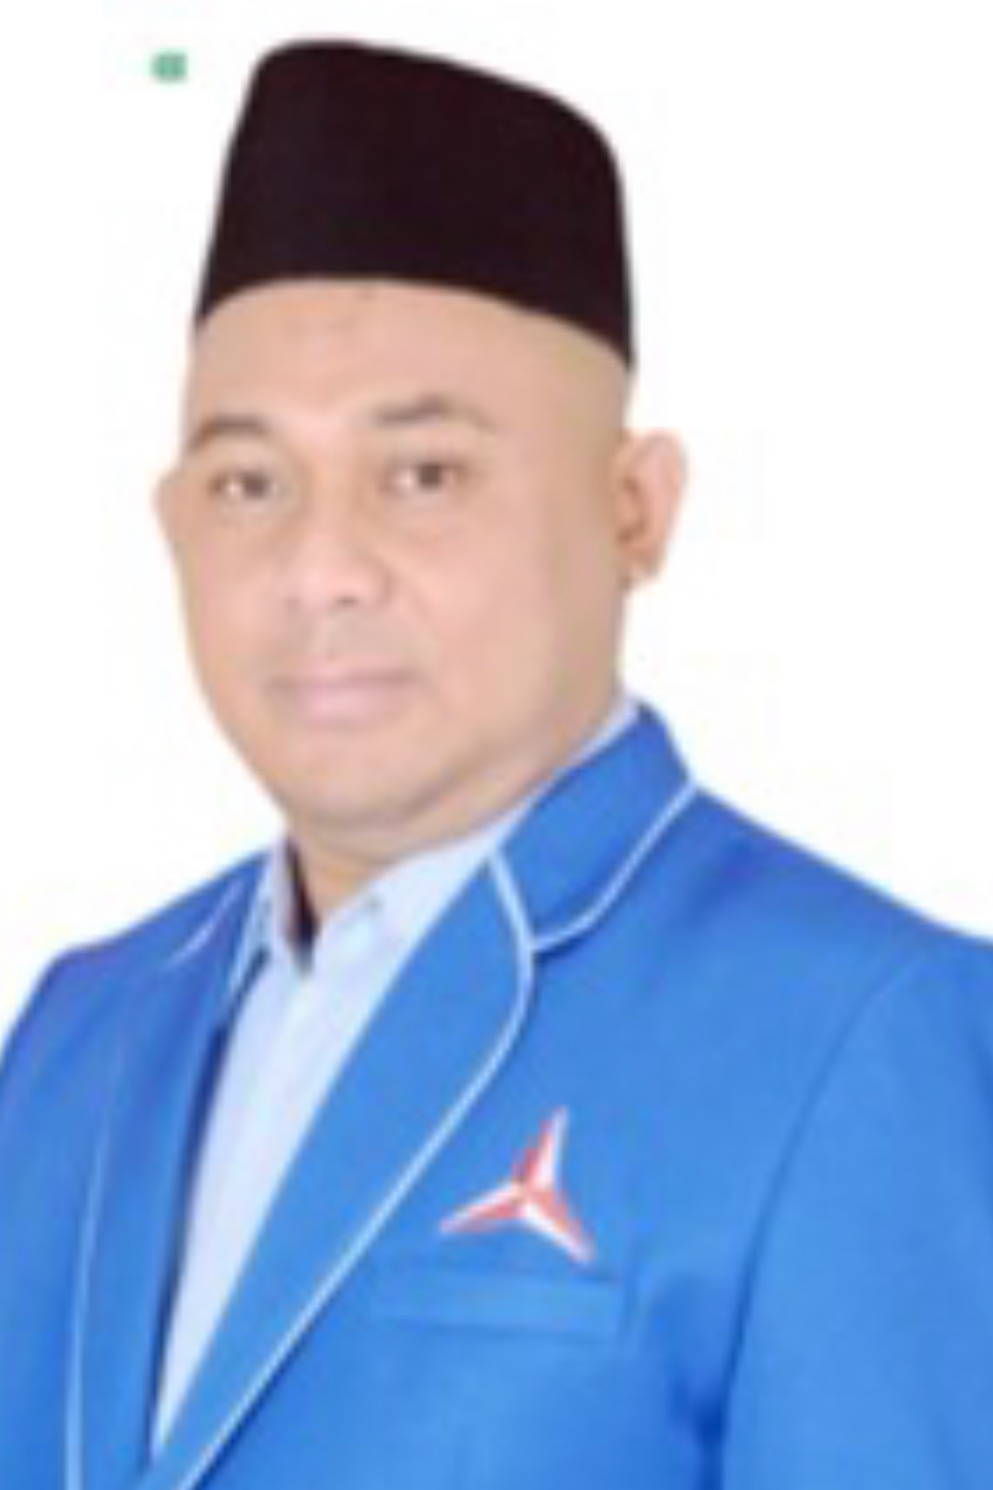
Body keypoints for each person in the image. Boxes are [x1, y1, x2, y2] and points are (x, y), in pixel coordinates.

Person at [1, 38, 992, 1490]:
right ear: (173, 525)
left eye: (424, 475)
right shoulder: (79, 1029)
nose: (320, 567)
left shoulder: (860, 1035)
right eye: (249, 483)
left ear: (634, 510)